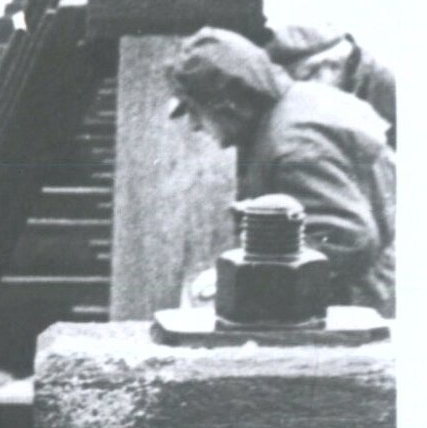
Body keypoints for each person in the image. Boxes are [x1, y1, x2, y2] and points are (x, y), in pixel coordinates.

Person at [167, 28, 396, 313]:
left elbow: (348, 239)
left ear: (227, 104)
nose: (195, 125)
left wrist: (250, 277)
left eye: (195, 110)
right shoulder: (301, 103)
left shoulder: (293, 144)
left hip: (366, 305)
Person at [261, 21, 397, 143]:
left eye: (304, 78)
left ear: (333, 66)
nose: (298, 93)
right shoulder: (345, 84)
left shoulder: (391, 88)